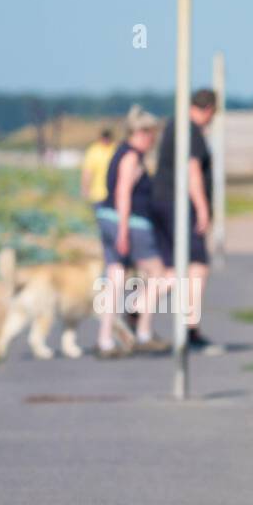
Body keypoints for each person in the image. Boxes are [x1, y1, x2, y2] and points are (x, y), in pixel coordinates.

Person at [94, 107, 170, 358]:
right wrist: (124, 231)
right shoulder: (132, 158)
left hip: (106, 217)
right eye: (153, 135)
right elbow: (123, 194)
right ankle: (142, 328)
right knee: (160, 274)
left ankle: (105, 339)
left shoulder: (119, 152)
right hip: (130, 222)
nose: (154, 141)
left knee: (115, 278)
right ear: (143, 133)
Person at [151, 88, 218, 351]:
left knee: (173, 269)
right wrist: (203, 208)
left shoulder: (174, 125)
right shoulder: (191, 131)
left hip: (164, 203)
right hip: (181, 207)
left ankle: (136, 309)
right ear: (210, 110)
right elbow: (193, 171)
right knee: (197, 265)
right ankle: (190, 329)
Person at [80, 128, 115, 204]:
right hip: (98, 195)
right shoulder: (94, 151)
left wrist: (85, 190)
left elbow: (87, 172)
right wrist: (85, 189)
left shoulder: (114, 149)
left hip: (112, 195)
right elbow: (87, 172)